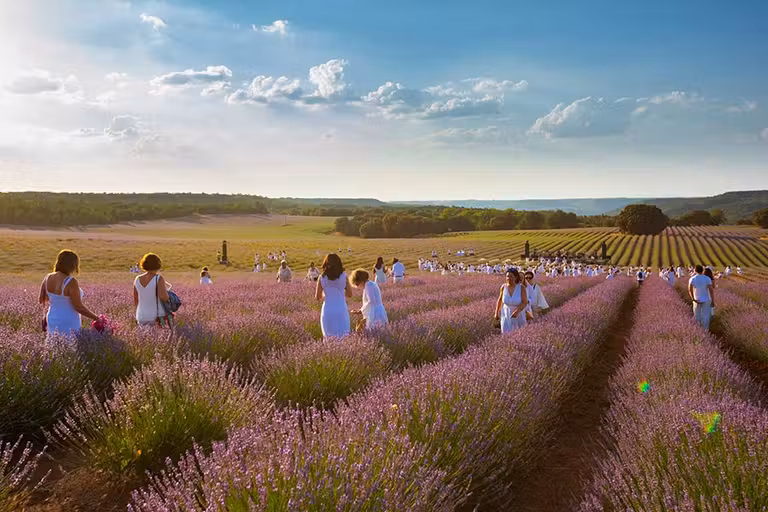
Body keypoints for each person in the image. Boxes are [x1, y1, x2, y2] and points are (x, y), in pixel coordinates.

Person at [39, 250, 101, 339]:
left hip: (52, 317)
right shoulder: (71, 282)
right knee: (70, 346)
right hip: (68, 320)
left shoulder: (47, 278)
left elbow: (42, 300)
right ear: (72, 265)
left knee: (53, 346)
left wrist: (44, 316)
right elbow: (78, 307)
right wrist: (96, 318)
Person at [315, 254, 352, 338]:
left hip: (327, 310)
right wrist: (340, 294)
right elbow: (350, 294)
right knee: (343, 336)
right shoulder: (344, 276)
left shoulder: (322, 277)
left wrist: (327, 295)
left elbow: (317, 297)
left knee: (328, 338)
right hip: (341, 309)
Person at [134, 253, 172, 327]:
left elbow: (136, 298)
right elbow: (164, 297)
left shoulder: (137, 279)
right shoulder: (158, 278)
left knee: (144, 337)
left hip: (141, 315)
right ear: (158, 265)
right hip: (156, 315)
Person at [494, 269, 528, 334]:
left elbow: (524, 302)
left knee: (520, 334)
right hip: (506, 314)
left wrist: (517, 312)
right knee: (506, 333)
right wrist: (496, 313)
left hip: (518, 314)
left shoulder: (521, 287)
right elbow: (500, 300)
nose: (508, 278)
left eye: (511, 276)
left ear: (516, 277)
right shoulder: (503, 287)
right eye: (507, 276)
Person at [689, 265, 715, 329]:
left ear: (695, 270)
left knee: (697, 316)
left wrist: (693, 299)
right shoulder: (707, 279)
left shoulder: (692, 278)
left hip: (696, 299)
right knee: (706, 316)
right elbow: (711, 291)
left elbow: (690, 290)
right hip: (706, 299)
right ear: (702, 270)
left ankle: (698, 330)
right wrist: (713, 301)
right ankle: (706, 331)